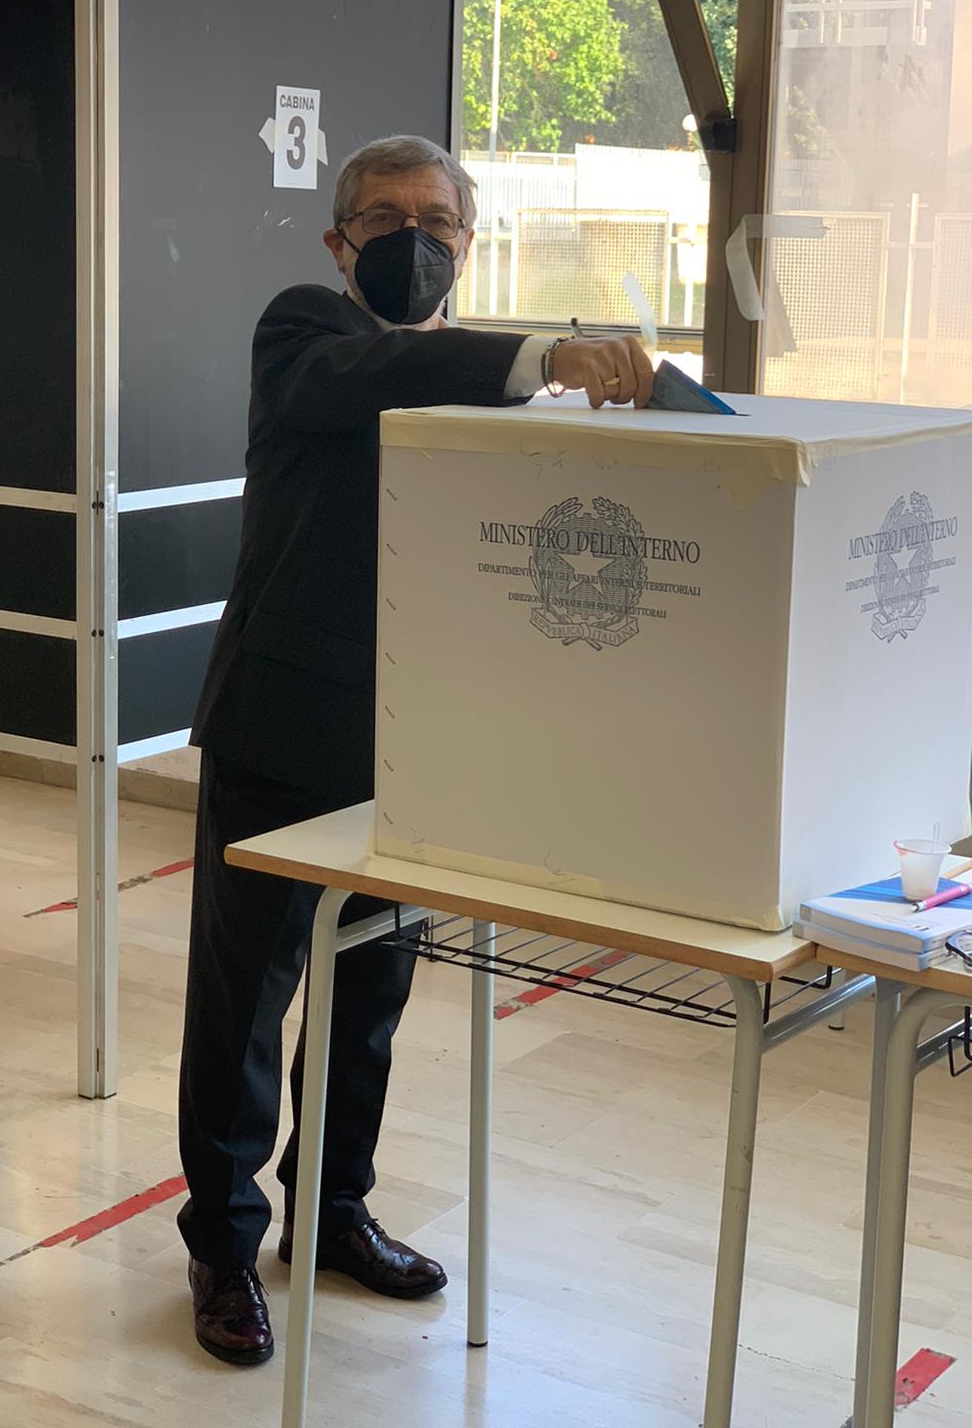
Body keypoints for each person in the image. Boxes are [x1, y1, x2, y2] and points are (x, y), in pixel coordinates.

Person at [178, 135, 653, 1365]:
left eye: (438, 221)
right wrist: (547, 353)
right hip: (279, 727)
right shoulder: (305, 330)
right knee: (244, 1000)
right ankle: (223, 1244)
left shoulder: (483, 376)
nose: (413, 239)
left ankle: (331, 1213)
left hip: (411, 743)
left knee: (371, 995)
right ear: (338, 242)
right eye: (385, 218)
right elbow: (373, 372)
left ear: (469, 242)